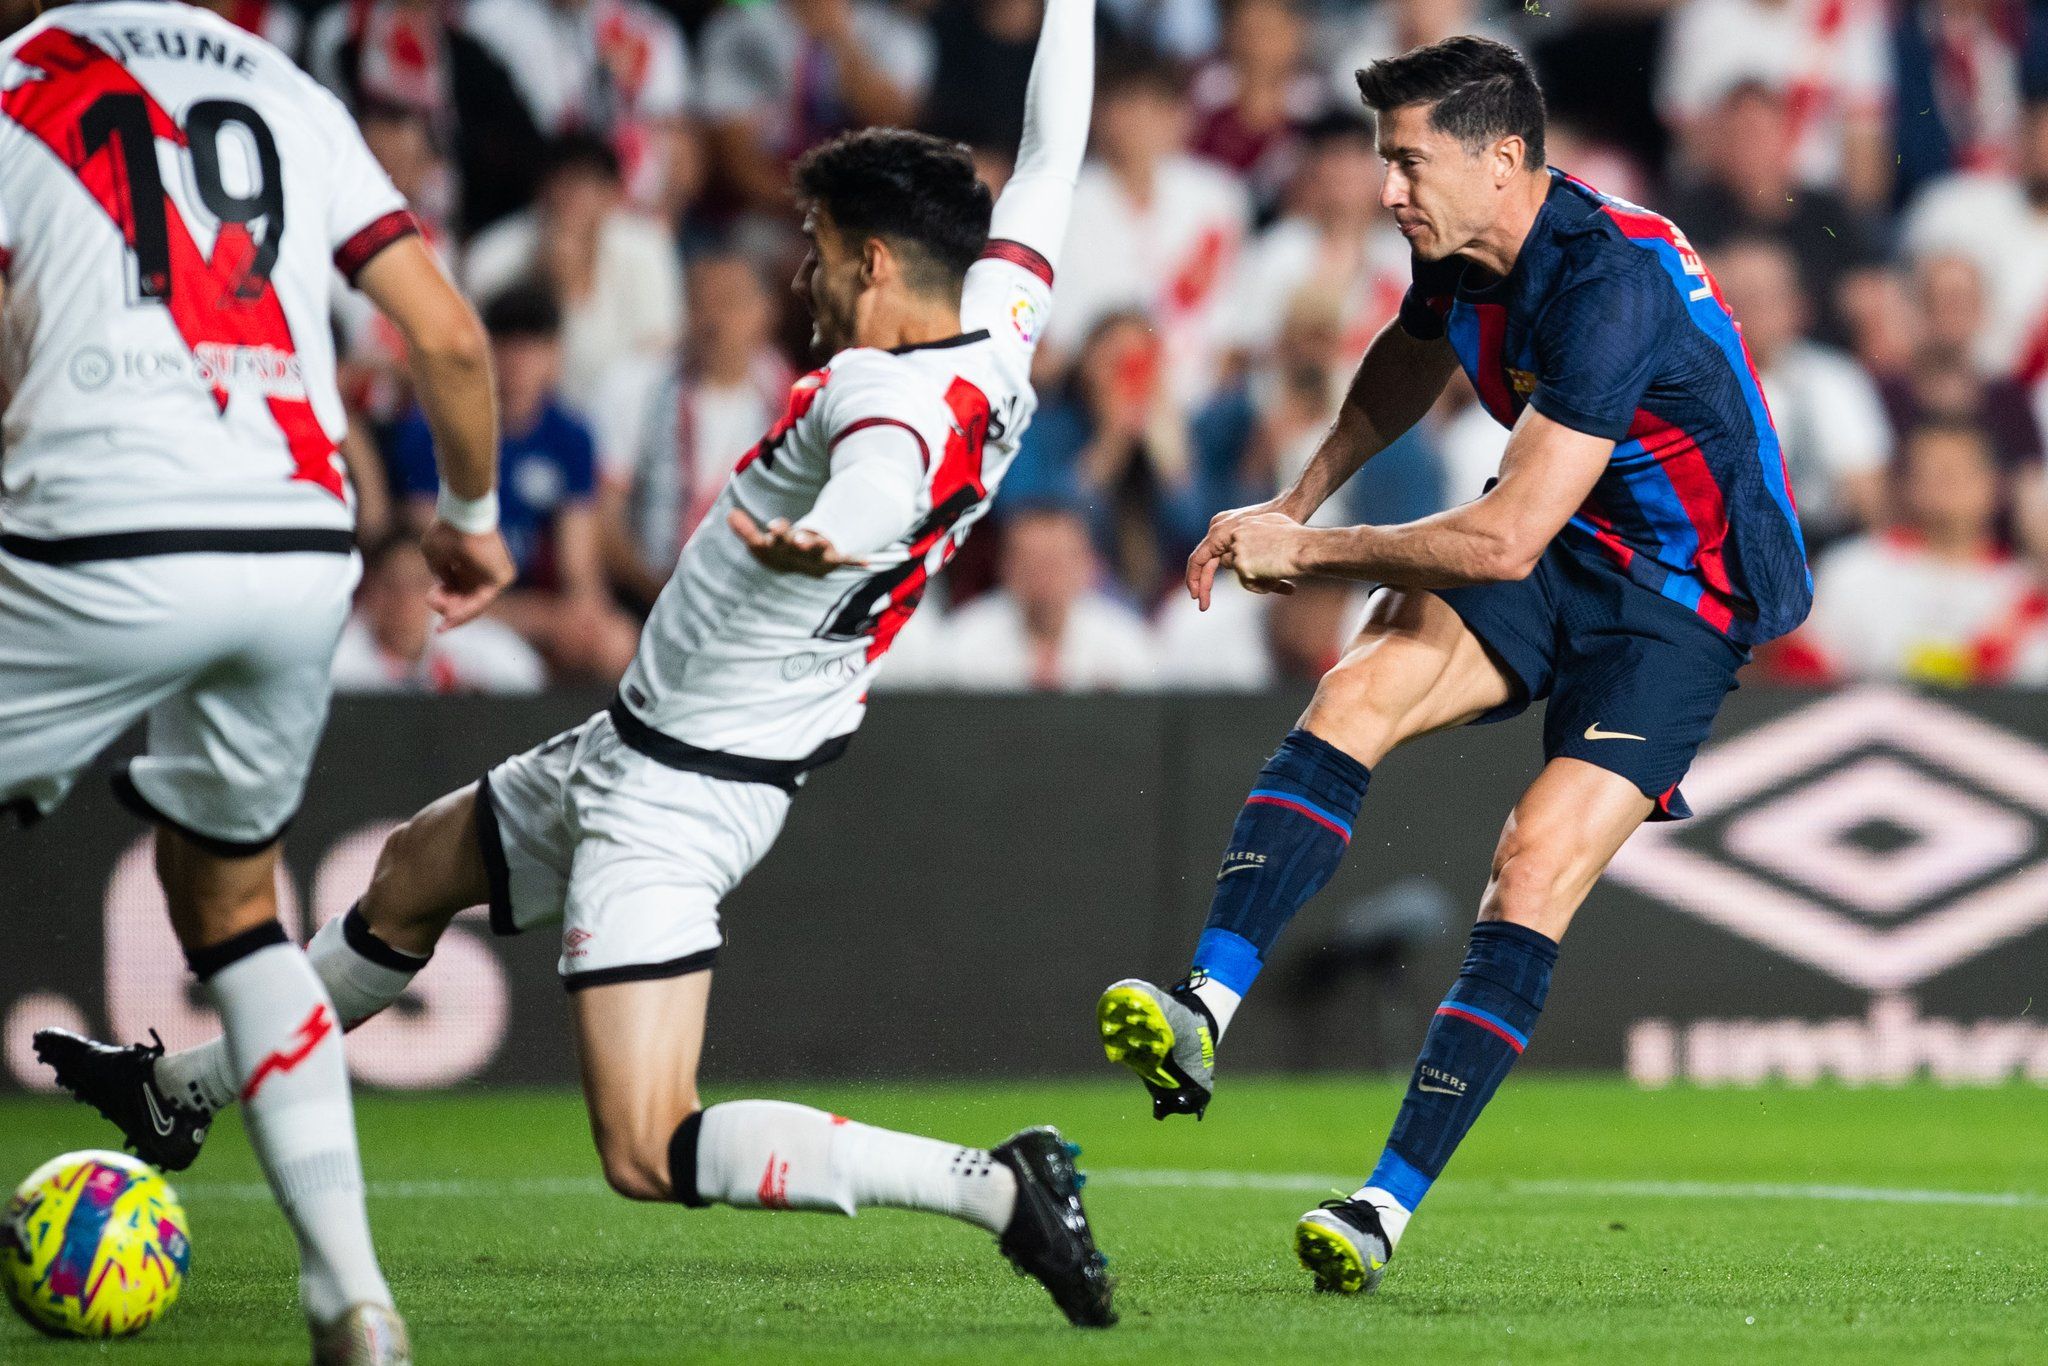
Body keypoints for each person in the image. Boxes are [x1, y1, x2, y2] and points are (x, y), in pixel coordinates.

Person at [43, 0, 1116, 1330]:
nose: (807, 281)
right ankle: (181, 1095)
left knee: (646, 1146)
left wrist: (825, 536)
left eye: (823, 253)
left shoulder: (876, 400)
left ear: (882, 263)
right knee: (410, 875)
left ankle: (998, 1187)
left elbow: (884, 484)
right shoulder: (1001, 328)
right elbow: (1054, 153)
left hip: (679, 793)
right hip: (644, 742)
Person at [1093, 36, 1811, 1297]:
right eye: (1383, 162)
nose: (1386, 191)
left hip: (1681, 598)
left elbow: (1498, 536)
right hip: (1561, 541)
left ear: (1504, 161)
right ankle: (1203, 1006)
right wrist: (1297, 491)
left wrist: (1303, 554)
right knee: (1353, 689)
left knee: (1529, 865)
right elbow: (1408, 358)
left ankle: (1381, 1205)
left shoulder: (1609, 283)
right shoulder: (1463, 251)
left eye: (1408, 162)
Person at [2, 4, 514, 1362]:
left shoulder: (22, 79)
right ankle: (352, 1296)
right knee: (236, 909)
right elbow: (451, 340)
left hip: (92, 527)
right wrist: (470, 510)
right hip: (297, 543)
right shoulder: (289, 89)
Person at [386, 284, 635, 681]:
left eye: (532, 349)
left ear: (555, 355)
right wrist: (543, 620)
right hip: (458, 609)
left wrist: (581, 616)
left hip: (539, 606)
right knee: (508, 669)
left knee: (616, 642)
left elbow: (580, 566)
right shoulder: (433, 428)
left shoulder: (571, 436)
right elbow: (433, 569)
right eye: (506, 347)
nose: (518, 363)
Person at [1789, 420, 2047, 685]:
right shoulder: (1851, 570)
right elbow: (1801, 678)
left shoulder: (2027, 589)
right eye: (1931, 472)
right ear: (1906, 483)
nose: (1946, 486)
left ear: (1995, 484)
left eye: (1958, 472)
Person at [933, 502, 1160, 691]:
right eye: (1031, 564)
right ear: (1006, 567)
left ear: (1087, 566)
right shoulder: (963, 642)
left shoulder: (1125, 642)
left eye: (1055, 563)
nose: (1044, 577)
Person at [331, 535, 547, 694]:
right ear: (370, 592)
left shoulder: (460, 638)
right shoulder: (339, 658)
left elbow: (527, 675)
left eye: (418, 585)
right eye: (391, 586)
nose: (404, 600)